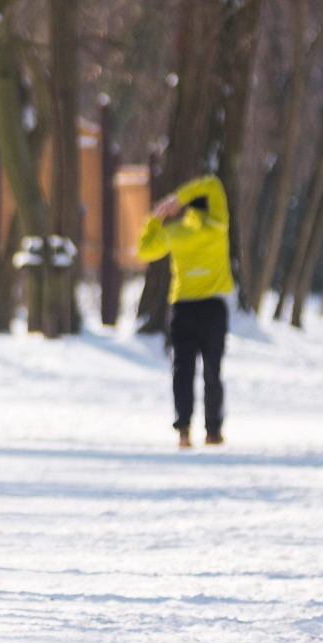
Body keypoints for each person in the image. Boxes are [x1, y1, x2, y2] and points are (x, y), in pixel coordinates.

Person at [137, 175, 233, 448]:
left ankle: (183, 430)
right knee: (213, 368)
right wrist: (178, 197)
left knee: (183, 368)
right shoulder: (218, 225)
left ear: (189, 210)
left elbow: (144, 250)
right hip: (213, 307)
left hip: (182, 308)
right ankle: (213, 431)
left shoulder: (176, 232)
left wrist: (156, 217)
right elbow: (214, 184)